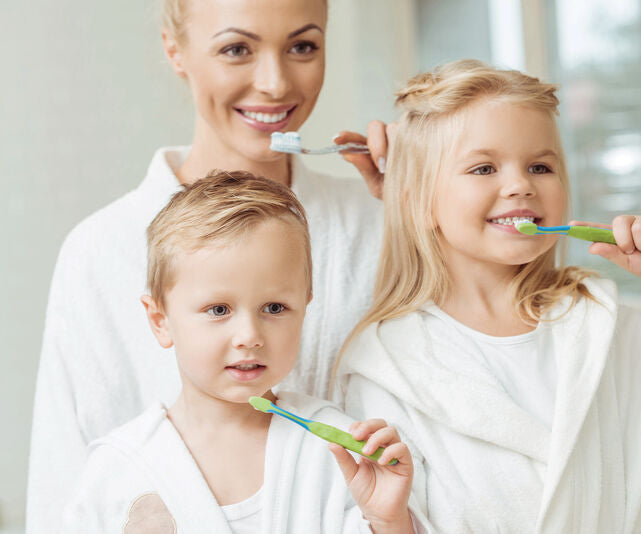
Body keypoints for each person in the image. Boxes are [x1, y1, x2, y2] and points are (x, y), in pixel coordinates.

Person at [332, 60, 641, 533]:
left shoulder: (600, 327)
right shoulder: (388, 364)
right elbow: (377, 512)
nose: (520, 185)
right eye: (484, 167)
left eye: (540, 166)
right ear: (416, 201)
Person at [28, 0, 391, 531]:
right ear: (175, 50)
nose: (274, 83)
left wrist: (431, 204)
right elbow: (60, 491)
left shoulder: (379, 225)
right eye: (237, 49)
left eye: (302, 46)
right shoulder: (98, 251)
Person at [60, 171, 429, 533]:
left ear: (305, 308)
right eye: (219, 310)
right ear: (161, 320)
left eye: (274, 308)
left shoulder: (340, 453)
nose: (249, 336)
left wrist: (389, 521)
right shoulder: (117, 470)